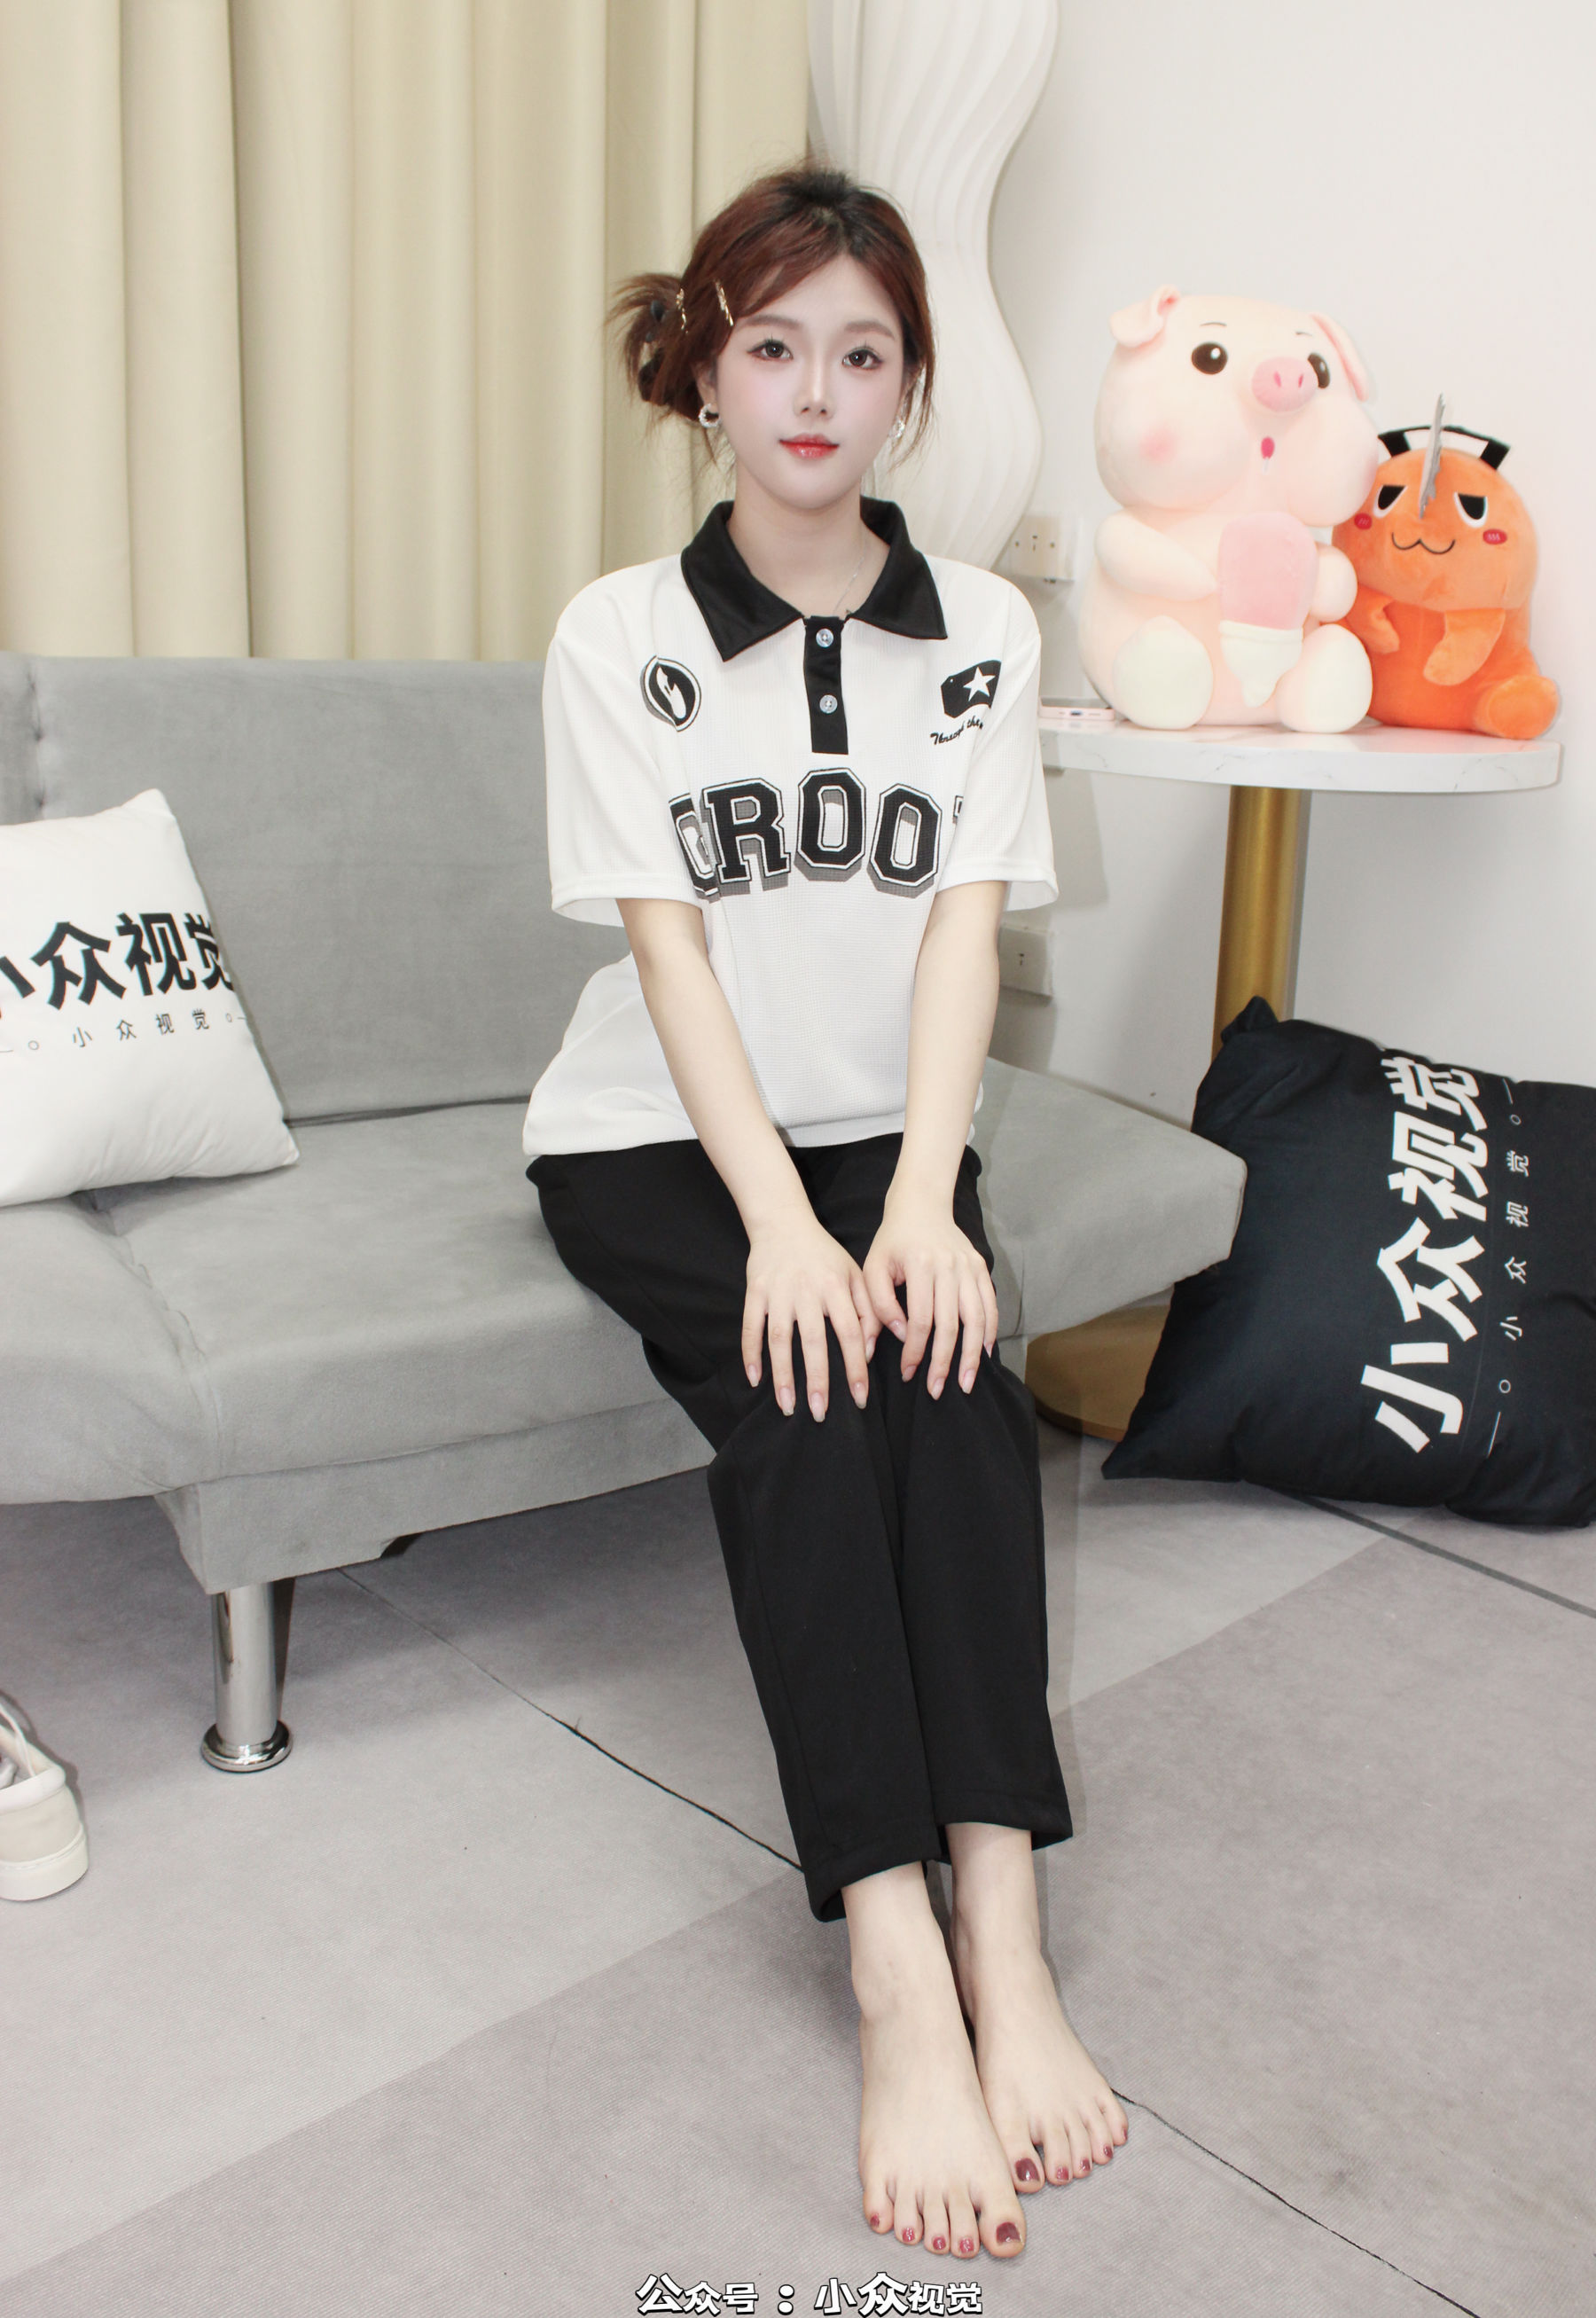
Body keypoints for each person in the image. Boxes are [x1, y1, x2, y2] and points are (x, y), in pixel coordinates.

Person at [523, 163, 1127, 2265]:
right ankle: (893, 1957)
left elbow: (963, 931)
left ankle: (1006, 1932)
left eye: (860, 353)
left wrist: (927, 1198)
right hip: (655, 1132)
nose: (812, 390)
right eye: (772, 343)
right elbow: (670, 951)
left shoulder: (985, 634)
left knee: (952, 1371)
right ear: (704, 368)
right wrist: (783, 1226)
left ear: (907, 390)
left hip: (890, 1124)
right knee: (807, 1391)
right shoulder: (620, 635)